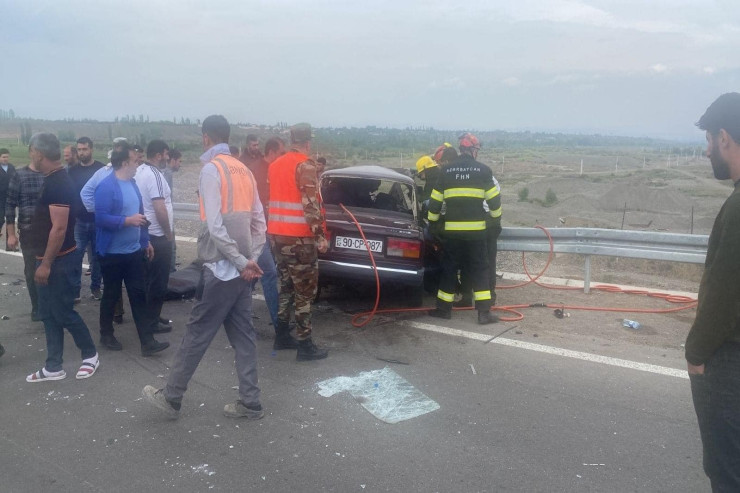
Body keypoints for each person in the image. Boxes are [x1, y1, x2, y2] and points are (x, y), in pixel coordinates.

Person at [143, 114, 266, 420]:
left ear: (206, 137)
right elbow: (260, 224)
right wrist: (250, 261)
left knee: (197, 334)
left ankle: (171, 396)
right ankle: (250, 401)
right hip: (241, 272)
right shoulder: (245, 170)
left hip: (222, 269)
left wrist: (241, 262)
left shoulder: (212, 170)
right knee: (244, 337)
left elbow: (215, 226)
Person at [685, 92, 740, 491]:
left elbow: (726, 291)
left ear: (724, 137)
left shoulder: (738, 207)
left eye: (708, 140)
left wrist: (696, 353)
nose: (706, 151)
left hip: (729, 359)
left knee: (726, 470)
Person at [23, 133, 99, 382]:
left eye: (31, 151)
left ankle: (90, 355)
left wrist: (46, 263)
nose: (30, 156)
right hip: (46, 259)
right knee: (47, 313)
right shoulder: (52, 178)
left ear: (38, 153)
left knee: (63, 311)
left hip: (58, 261)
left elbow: (59, 228)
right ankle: (53, 366)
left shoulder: (58, 183)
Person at [95, 142, 169, 356]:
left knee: (139, 295)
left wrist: (145, 241)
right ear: (124, 163)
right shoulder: (106, 186)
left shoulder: (133, 184)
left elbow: (141, 215)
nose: (138, 163)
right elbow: (100, 218)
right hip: (112, 254)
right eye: (135, 161)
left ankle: (147, 342)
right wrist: (126, 221)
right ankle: (106, 334)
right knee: (111, 294)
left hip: (133, 252)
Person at [268, 123, 329, 361]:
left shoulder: (275, 165)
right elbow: (310, 205)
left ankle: (282, 335)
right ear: (308, 142)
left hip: (276, 236)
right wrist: (320, 236)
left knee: (286, 286)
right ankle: (305, 345)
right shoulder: (305, 166)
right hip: (299, 239)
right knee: (304, 291)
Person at [427, 132, 500, 325]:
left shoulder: (446, 171)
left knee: (449, 269)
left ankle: (443, 309)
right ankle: (484, 313)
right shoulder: (483, 170)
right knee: (480, 269)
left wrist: (433, 224)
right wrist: (495, 223)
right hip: (477, 234)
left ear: (461, 149)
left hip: (452, 234)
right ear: (473, 150)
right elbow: (494, 202)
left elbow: (434, 203)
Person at [81, 137, 127, 324]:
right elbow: (85, 193)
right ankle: (115, 314)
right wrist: (99, 211)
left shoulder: (134, 173)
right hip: (112, 231)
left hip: (130, 231)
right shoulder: (103, 173)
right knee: (113, 276)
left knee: (132, 275)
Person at [134, 140, 174, 334]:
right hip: (157, 234)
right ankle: (151, 323)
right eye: (166, 154)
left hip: (145, 233)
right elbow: (160, 207)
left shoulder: (140, 170)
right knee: (158, 282)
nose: (167, 158)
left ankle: (151, 316)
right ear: (158, 155)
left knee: (148, 280)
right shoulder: (155, 174)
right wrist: (168, 233)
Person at [253, 136, 286, 348]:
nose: (282, 157)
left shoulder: (272, 170)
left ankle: (234, 318)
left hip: (268, 230)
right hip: (257, 232)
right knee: (269, 274)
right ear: (272, 151)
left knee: (250, 278)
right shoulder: (257, 170)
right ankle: (280, 328)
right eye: (281, 153)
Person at [5, 150, 45, 320]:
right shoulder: (19, 175)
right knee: (31, 271)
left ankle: (48, 305)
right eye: (37, 152)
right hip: (28, 232)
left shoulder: (50, 175)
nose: (40, 156)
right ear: (31, 153)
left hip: (49, 231)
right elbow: (9, 205)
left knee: (50, 269)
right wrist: (11, 235)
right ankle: (37, 307)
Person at [68, 137, 105, 301]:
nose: (82, 152)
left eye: (85, 149)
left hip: (98, 220)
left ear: (91, 150)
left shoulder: (101, 169)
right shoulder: (72, 171)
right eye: (79, 150)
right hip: (79, 221)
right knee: (76, 256)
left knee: (98, 257)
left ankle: (95, 288)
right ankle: (75, 290)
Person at [163, 148, 182, 272]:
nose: (180, 164)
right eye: (179, 161)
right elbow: (166, 198)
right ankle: (171, 274)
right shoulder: (167, 174)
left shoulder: (164, 172)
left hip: (165, 215)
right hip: (166, 216)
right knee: (171, 247)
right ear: (173, 160)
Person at [0, 148, 17, 240]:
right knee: (0, 218)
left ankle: (10, 240)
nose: (5, 159)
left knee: (10, 219)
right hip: (0, 198)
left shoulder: (11, 168)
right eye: (3, 157)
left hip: (10, 197)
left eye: (7, 157)